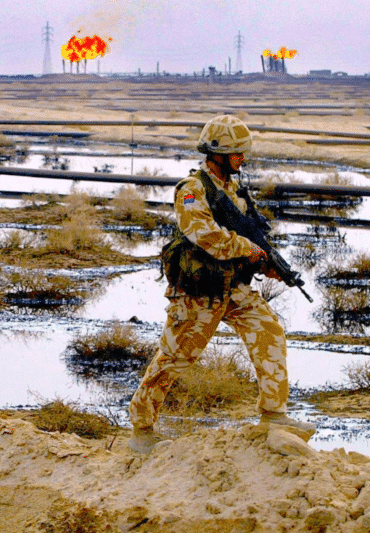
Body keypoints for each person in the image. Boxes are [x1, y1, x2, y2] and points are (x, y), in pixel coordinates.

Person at [128, 114, 315, 454]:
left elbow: (249, 237)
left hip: (233, 286)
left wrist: (266, 264)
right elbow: (204, 235)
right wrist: (247, 249)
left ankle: (273, 415)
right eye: (236, 153)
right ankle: (142, 429)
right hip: (199, 292)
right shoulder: (192, 189)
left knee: (269, 331)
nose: (242, 159)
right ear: (218, 153)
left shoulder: (234, 189)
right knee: (175, 358)